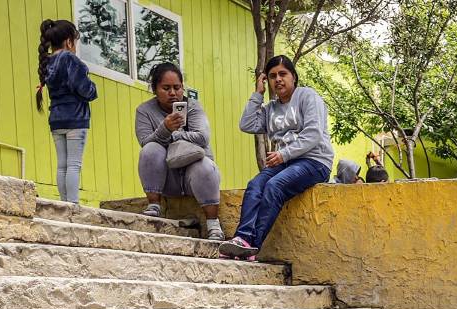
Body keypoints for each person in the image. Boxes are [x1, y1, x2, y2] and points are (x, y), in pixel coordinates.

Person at [222, 55, 334, 260]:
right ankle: (242, 238)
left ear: (294, 77)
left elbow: (313, 134)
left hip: (315, 161)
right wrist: (258, 94)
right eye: (272, 76)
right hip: (286, 162)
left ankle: (252, 246)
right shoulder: (270, 108)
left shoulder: (307, 96)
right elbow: (246, 124)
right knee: (255, 184)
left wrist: (283, 154)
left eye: (283, 74)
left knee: (275, 185)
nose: (278, 80)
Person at [136, 63, 225, 241]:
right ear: (155, 89)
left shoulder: (193, 107)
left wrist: (174, 134)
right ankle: (154, 205)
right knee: (150, 149)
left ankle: (213, 224)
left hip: (195, 176)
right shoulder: (144, 111)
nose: (173, 93)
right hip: (167, 177)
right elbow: (145, 143)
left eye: (177, 87)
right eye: (166, 88)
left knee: (205, 166)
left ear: (183, 87)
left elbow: (203, 137)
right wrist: (164, 128)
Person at [36, 20, 97, 205]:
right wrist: (93, 88)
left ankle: (63, 202)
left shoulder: (48, 61)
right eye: (76, 43)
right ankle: (73, 203)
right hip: (75, 119)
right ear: (69, 42)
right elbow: (85, 90)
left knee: (62, 164)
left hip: (56, 119)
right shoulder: (70, 59)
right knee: (74, 164)